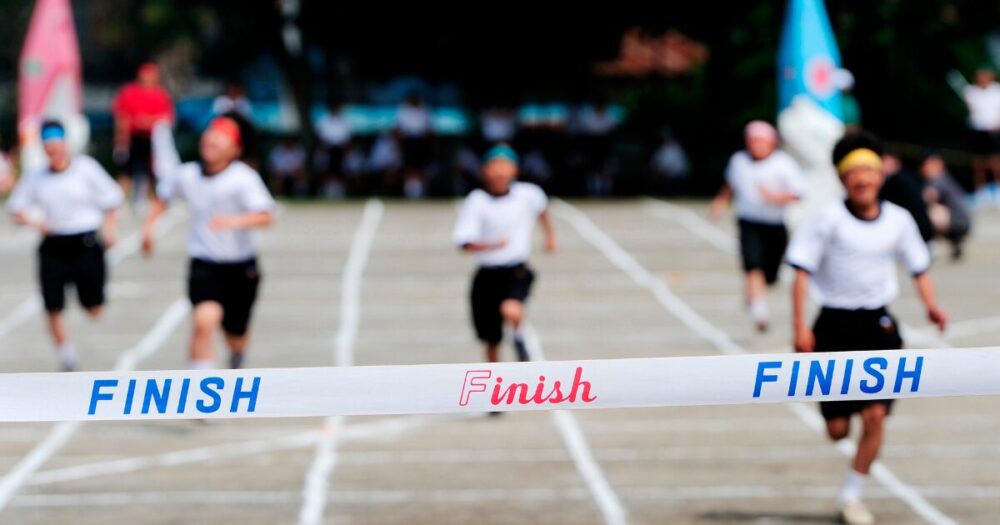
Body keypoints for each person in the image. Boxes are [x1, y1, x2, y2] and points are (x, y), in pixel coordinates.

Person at [787, 132, 948, 525]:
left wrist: (932, 307)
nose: (862, 179)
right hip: (833, 327)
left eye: (869, 172)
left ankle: (852, 495)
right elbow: (801, 274)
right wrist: (799, 329)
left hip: (879, 326)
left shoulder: (898, 219)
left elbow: (919, 267)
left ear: (880, 176)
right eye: (853, 173)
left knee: (875, 416)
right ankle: (840, 431)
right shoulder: (826, 219)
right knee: (838, 430)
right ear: (842, 179)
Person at [143, 115, 275, 370]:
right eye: (210, 134)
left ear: (234, 150)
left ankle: (237, 356)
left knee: (236, 334)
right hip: (205, 263)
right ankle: (201, 392)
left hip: (241, 267)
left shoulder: (243, 178)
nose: (212, 139)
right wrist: (149, 229)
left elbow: (265, 216)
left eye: (221, 137)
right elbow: (163, 196)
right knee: (204, 323)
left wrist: (232, 222)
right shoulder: (188, 174)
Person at [6, 120, 123, 371]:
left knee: (94, 308)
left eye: (56, 145)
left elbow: (112, 198)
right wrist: (37, 223)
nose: (53, 151)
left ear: (65, 144)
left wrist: (110, 229)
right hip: (53, 245)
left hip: (86, 243)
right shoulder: (37, 176)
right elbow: (16, 209)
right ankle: (67, 356)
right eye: (48, 146)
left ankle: (92, 300)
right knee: (52, 305)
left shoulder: (86, 168)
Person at [453, 144, 556, 368]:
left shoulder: (528, 194)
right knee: (490, 340)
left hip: (515, 269)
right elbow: (463, 242)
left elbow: (542, 210)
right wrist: (490, 245)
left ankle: (518, 337)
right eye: (495, 166)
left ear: (514, 170)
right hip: (486, 274)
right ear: (485, 171)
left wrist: (549, 236)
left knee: (511, 309)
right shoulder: (477, 201)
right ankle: (496, 378)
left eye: (505, 166)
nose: (500, 171)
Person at [709, 120, 804, 331]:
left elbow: (798, 193)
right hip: (749, 222)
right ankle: (760, 313)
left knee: (770, 275)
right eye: (752, 140)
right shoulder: (738, 160)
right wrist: (720, 202)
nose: (756, 145)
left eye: (760, 140)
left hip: (775, 224)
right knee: (752, 266)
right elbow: (730, 185)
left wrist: (775, 197)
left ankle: (753, 295)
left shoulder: (783, 163)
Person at [111, 62, 174, 206]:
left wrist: (147, 121)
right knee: (126, 172)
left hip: (152, 140)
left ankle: (152, 203)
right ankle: (118, 204)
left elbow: (167, 118)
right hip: (132, 139)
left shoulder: (160, 95)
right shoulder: (129, 92)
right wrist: (120, 141)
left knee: (152, 173)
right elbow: (121, 117)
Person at [920, 151, 972, 260]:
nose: (924, 168)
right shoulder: (946, 178)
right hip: (964, 220)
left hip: (957, 220)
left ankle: (930, 245)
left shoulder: (938, 179)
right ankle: (955, 241)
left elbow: (928, 197)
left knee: (928, 210)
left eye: (927, 165)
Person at [961, 68, 1000, 206]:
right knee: (978, 162)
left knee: (996, 162)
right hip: (977, 132)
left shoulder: (997, 91)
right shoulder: (971, 92)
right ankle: (981, 191)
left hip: (994, 132)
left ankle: (997, 189)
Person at [878, 152, 934, 242]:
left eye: (886, 163)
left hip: (916, 232)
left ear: (896, 163)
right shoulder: (904, 178)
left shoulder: (898, 181)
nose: (883, 167)